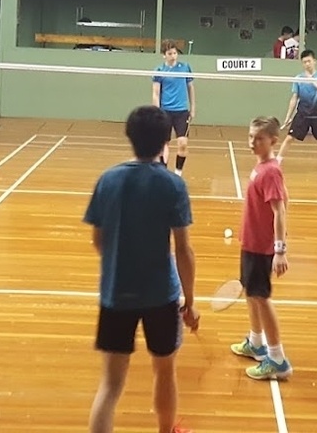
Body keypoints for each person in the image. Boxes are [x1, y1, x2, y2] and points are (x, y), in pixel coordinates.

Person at [84, 105, 200, 433]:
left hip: (115, 294)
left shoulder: (108, 179)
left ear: (129, 137)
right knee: (164, 371)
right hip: (161, 297)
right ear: (167, 141)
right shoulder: (172, 185)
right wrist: (189, 300)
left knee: (110, 385)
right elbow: (183, 250)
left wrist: (122, 264)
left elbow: (98, 240)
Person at [230, 115, 294, 381]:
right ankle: (256, 343)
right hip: (251, 242)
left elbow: (280, 210)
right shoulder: (262, 168)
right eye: (251, 137)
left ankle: (277, 359)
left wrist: (280, 249)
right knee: (251, 292)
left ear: (273, 141)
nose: (252, 143)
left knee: (262, 298)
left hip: (263, 248)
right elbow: (286, 197)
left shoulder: (270, 171)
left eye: (259, 139)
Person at [278, 50, 317, 173]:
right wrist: (288, 116)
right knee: (290, 138)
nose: (307, 64)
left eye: (309, 61)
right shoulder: (299, 78)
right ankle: (277, 162)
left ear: (314, 61)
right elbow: (294, 97)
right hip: (302, 114)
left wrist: (314, 82)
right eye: (304, 62)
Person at [152, 40, 195, 176]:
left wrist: (193, 107)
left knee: (183, 143)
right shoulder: (159, 71)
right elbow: (156, 93)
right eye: (170, 53)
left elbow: (191, 88)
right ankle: (163, 173)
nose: (173, 56)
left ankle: (178, 173)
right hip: (165, 111)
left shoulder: (185, 67)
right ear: (164, 55)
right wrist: (156, 111)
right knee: (163, 144)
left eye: (175, 53)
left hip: (181, 112)